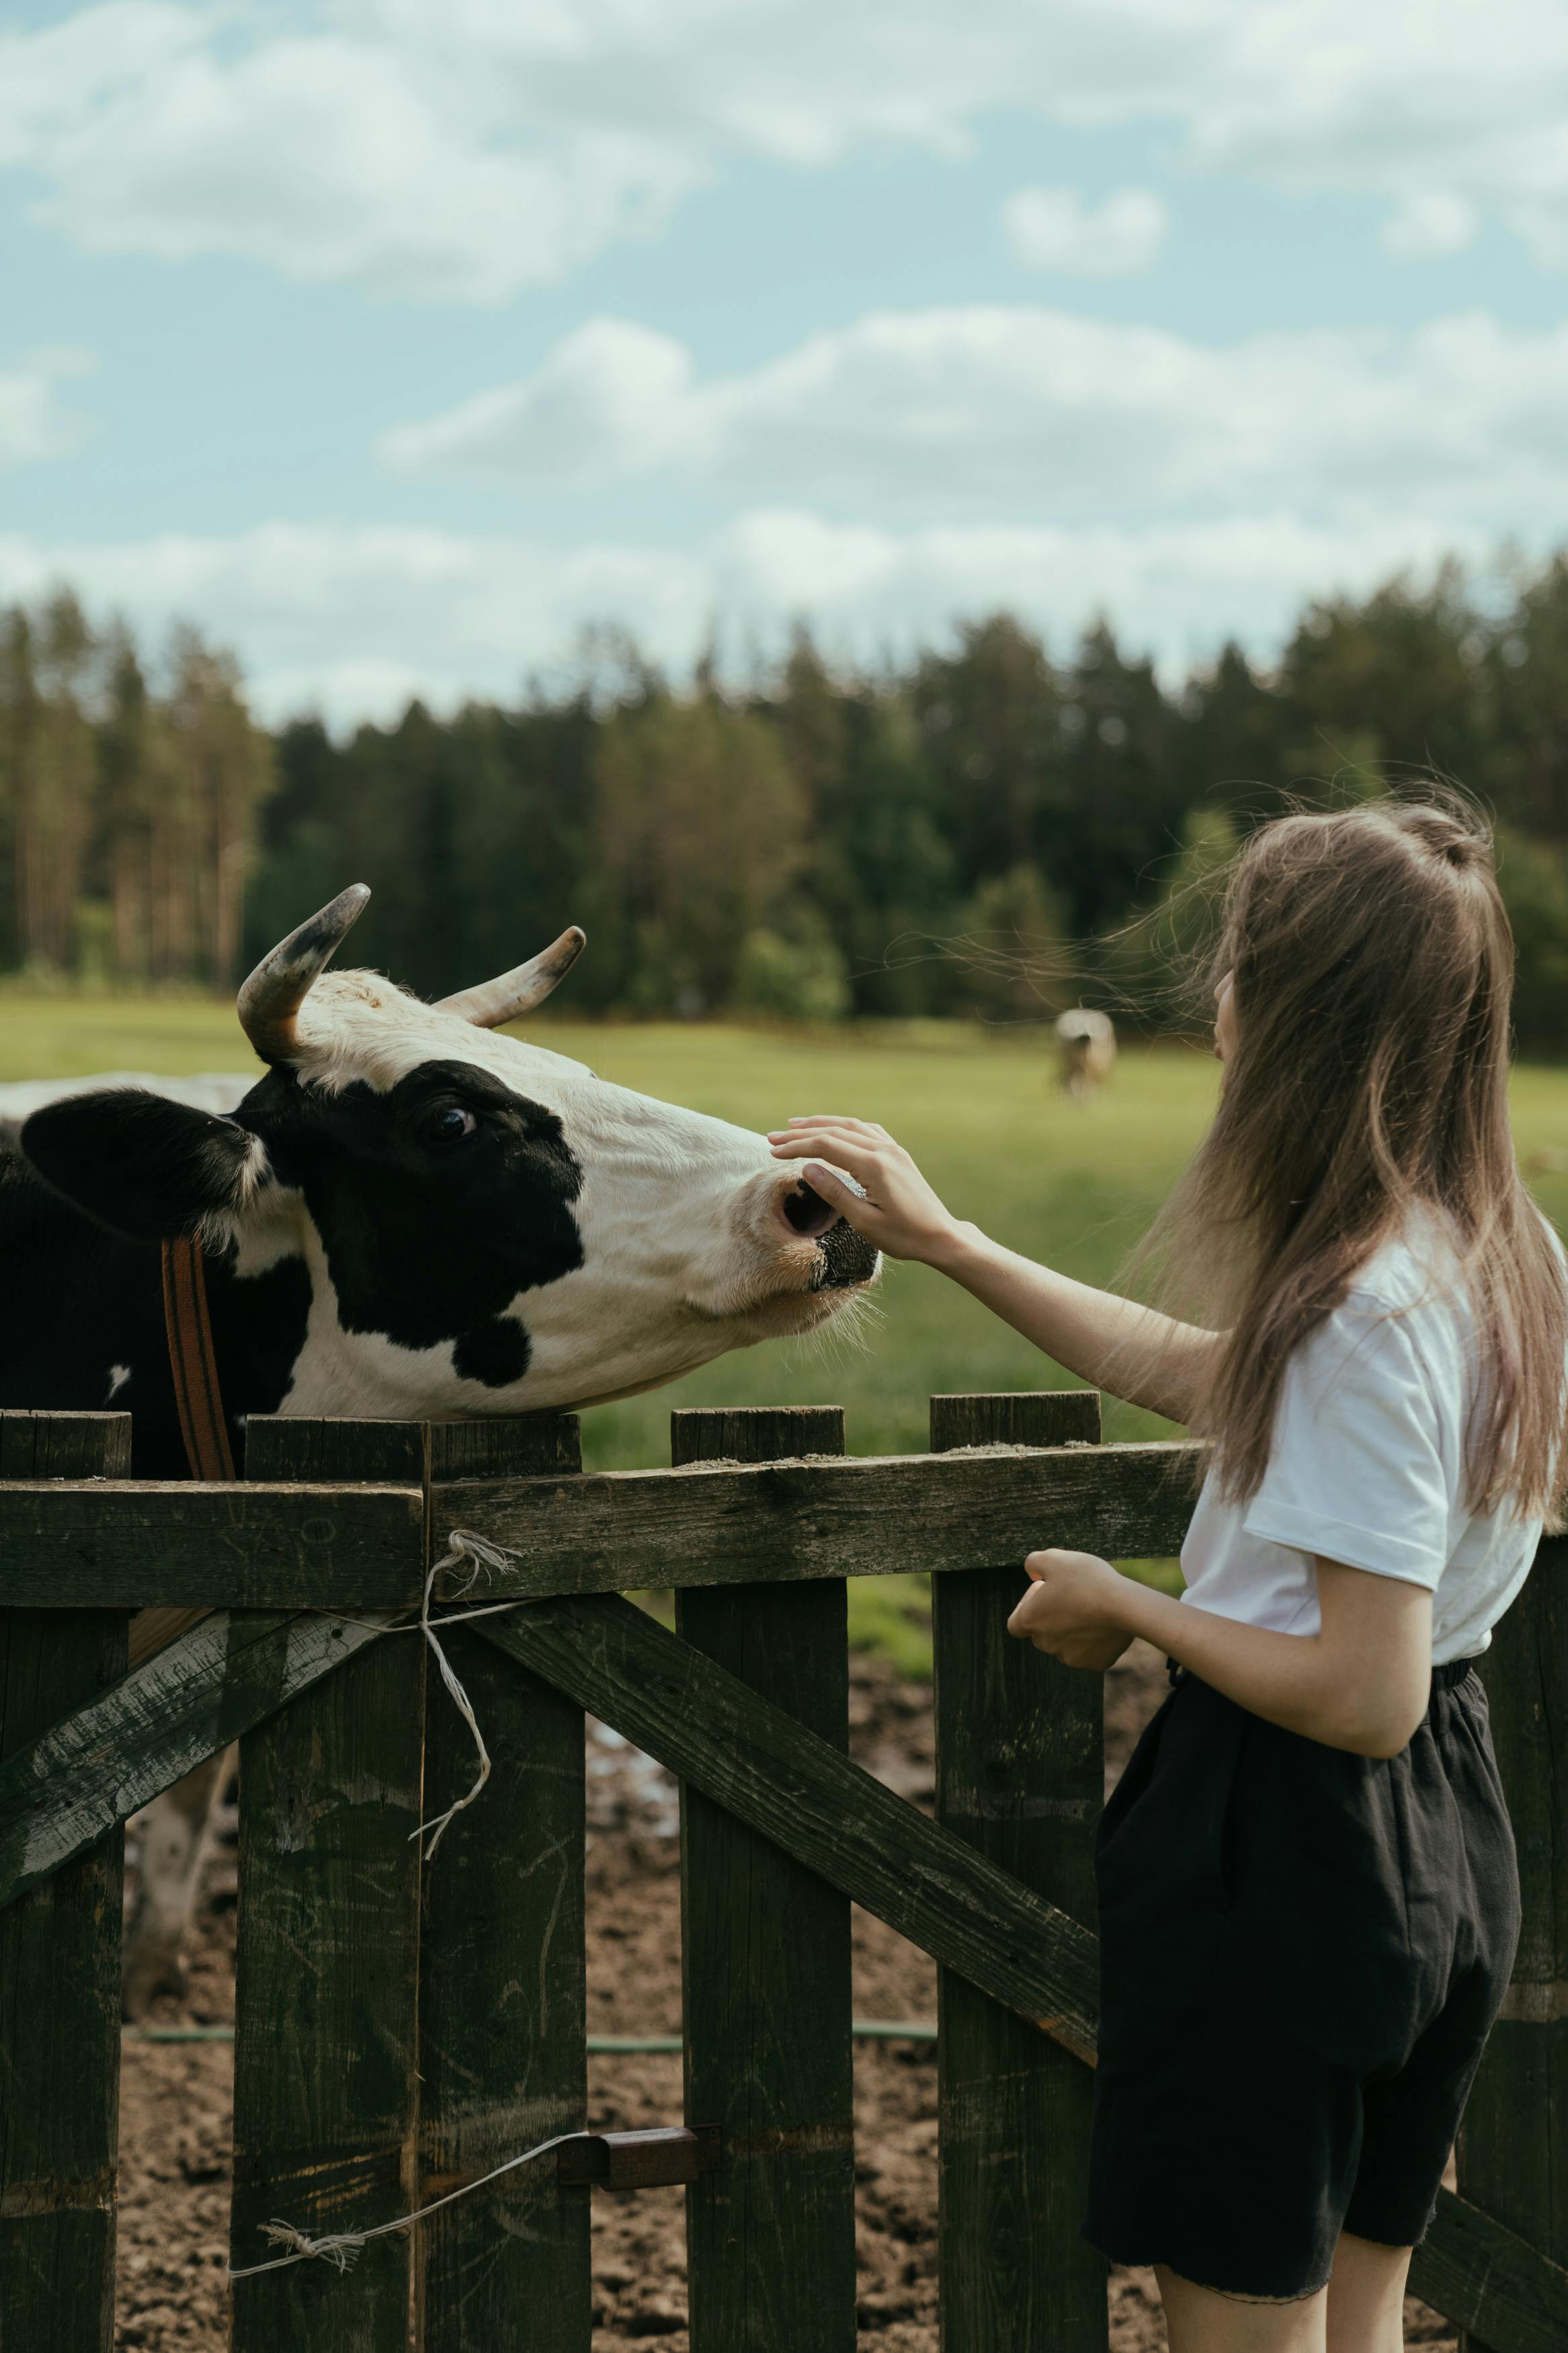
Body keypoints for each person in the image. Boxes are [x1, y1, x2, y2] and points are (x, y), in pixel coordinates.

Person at [768, 797, 1566, 2353]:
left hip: (1292, 1845)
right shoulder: (1499, 1251)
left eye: (1238, 968)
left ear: (1302, 1017)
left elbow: (1360, 1689)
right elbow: (1240, 1387)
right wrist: (960, 1244)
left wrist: (1135, 1612)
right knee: (1363, 2313)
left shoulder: (1361, 1306)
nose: (1213, 1006)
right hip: (1448, 1852)